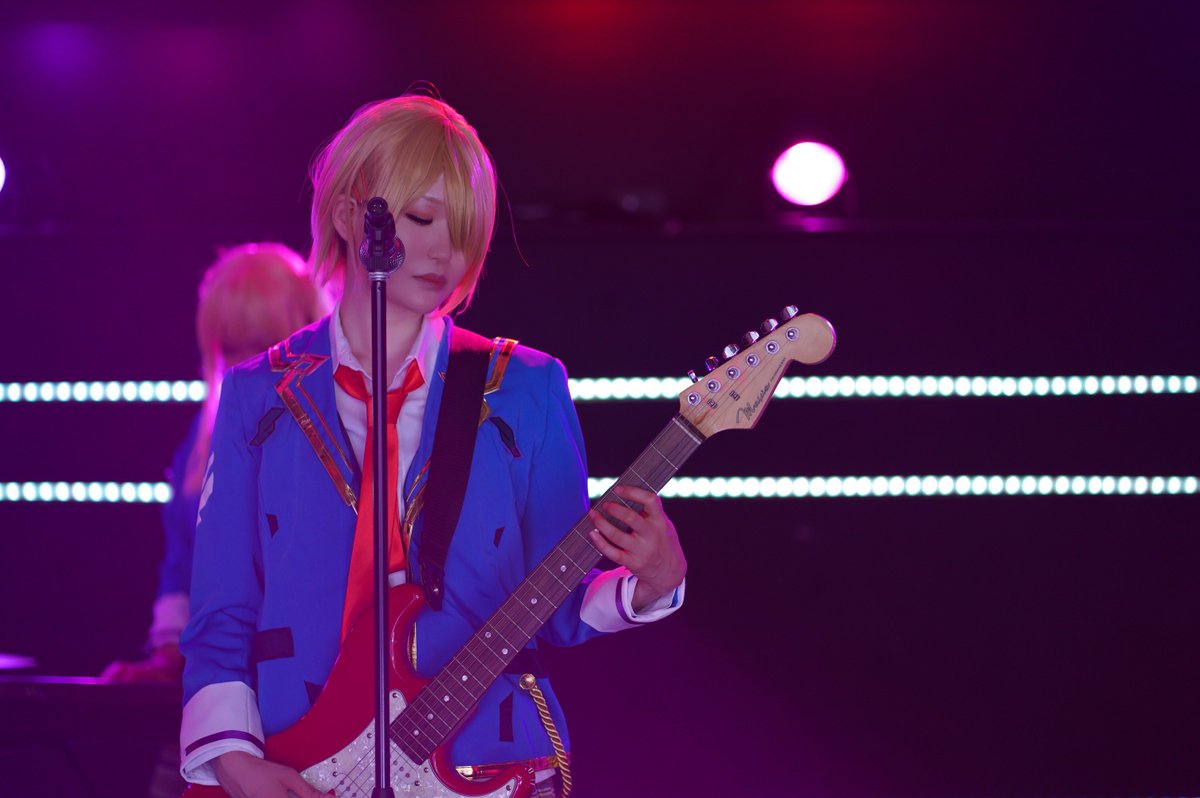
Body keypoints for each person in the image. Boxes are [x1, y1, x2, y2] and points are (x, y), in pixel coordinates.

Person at [178, 94, 688, 798]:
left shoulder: (525, 386)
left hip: (481, 758)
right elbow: (222, 612)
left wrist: (652, 583)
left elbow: (557, 601)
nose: (447, 252)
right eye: (421, 219)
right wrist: (236, 763)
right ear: (349, 215)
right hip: (296, 757)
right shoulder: (258, 393)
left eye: (466, 230)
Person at [101, 243, 331, 686]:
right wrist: (169, 657)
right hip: (216, 683)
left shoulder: (339, 435)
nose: (245, 366)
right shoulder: (204, 438)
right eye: (231, 349)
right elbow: (181, 557)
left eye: (262, 347)